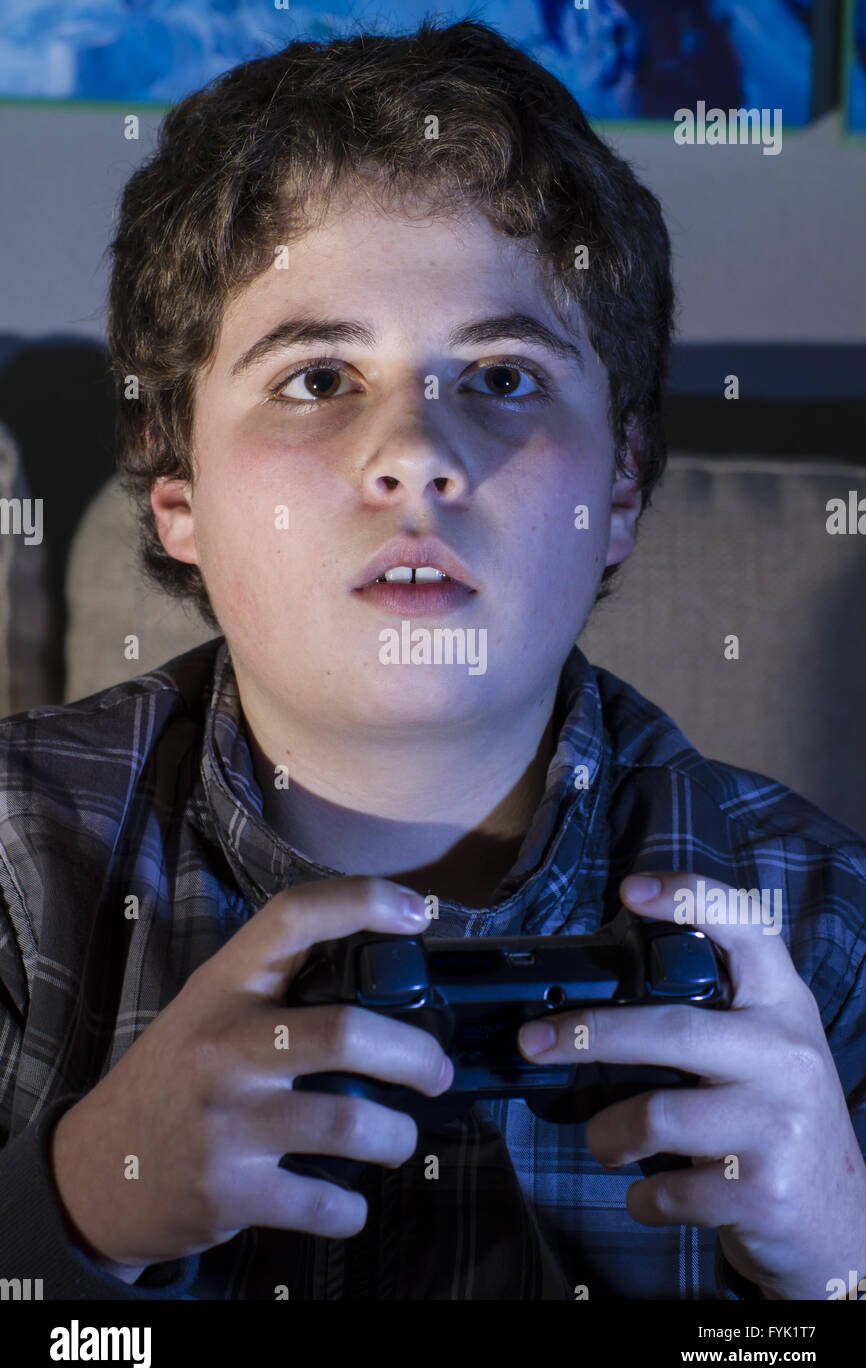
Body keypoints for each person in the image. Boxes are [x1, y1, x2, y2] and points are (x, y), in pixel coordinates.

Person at [1, 17, 865, 1302]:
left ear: (621, 484)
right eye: (315, 378)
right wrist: (72, 1198)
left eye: (504, 377)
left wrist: (841, 1262)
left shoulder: (823, 929)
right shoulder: (17, 876)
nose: (414, 452)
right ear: (176, 490)